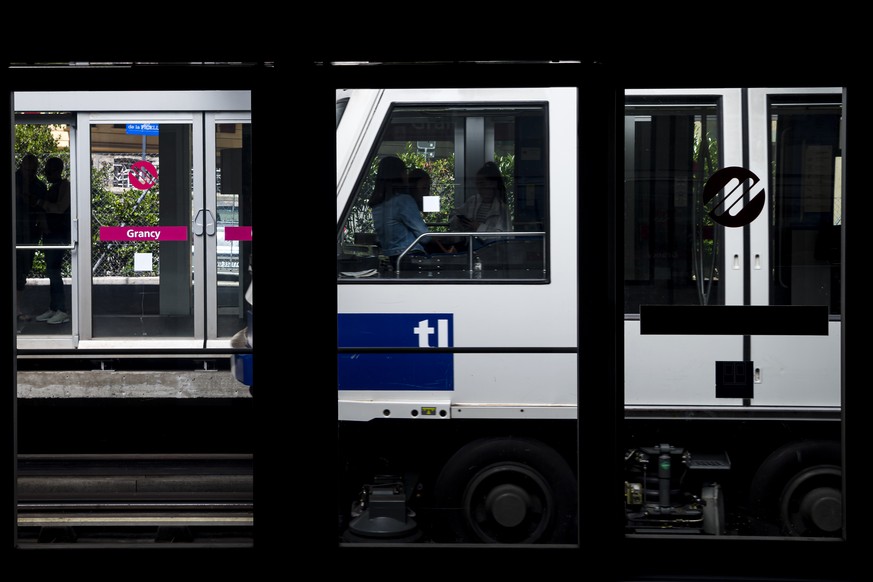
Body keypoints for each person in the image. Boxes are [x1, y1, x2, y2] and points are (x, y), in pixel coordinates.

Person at [368, 156, 430, 268]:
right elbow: (425, 237)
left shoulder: (377, 204)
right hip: (411, 256)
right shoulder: (403, 200)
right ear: (399, 175)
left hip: (393, 258)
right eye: (405, 172)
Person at [34, 157, 71, 325]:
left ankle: (61, 310)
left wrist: (42, 203)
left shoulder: (65, 186)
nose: (46, 174)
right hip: (51, 234)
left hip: (58, 234)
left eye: (48, 171)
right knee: (51, 271)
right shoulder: (54, 187)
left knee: (54, 271)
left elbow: (61, 207)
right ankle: (54, 307)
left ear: (57, 170)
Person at [15, 154, 48, 321]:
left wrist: (42, 230)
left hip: (28, 234)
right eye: (27, 168)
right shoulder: (13, 181)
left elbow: (42, 211)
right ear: (21, 166)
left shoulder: (39, 186)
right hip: (17, 231)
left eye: (33, 169)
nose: (30, 172)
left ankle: (17, 309)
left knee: (22, 271)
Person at [448, 161, 511, 234]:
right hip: (471, 243)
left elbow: (502, 235)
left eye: (482, 183)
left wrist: (479, 227)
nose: (479, 187)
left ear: (493, 184)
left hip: (492, 245)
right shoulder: (473, 201)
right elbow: (455, 214)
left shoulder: (501, 208)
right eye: (477, 183)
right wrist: (459, 220)